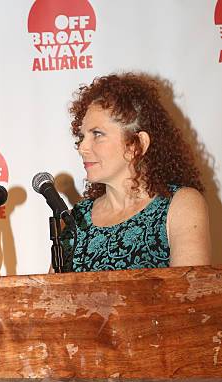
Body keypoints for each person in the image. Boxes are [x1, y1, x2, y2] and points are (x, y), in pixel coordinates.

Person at [60, 73, 211, 271]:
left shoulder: (180, 205)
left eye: (97, 134)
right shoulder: (77, 219)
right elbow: (53, 299)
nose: (82, 148)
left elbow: (192, 296)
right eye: (82, 137)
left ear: (137, 144)